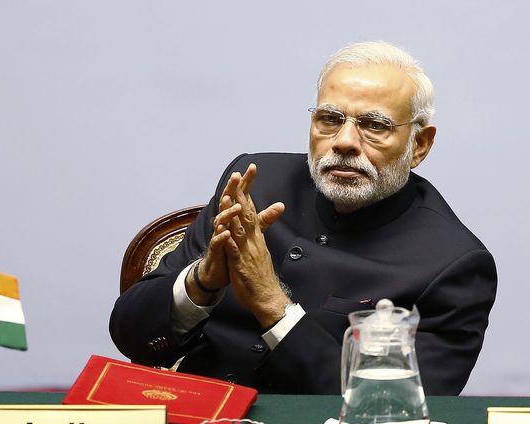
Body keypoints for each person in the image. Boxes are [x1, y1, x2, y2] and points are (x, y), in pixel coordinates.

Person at [110, 41, 497, 395]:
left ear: (420, 145)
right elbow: (130, 334)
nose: (344, 141)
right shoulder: (255, 183)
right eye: (330, 119)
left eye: (374, 125)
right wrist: (202, 281)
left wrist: (272, 303)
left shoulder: (453, 263)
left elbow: (396, 407)